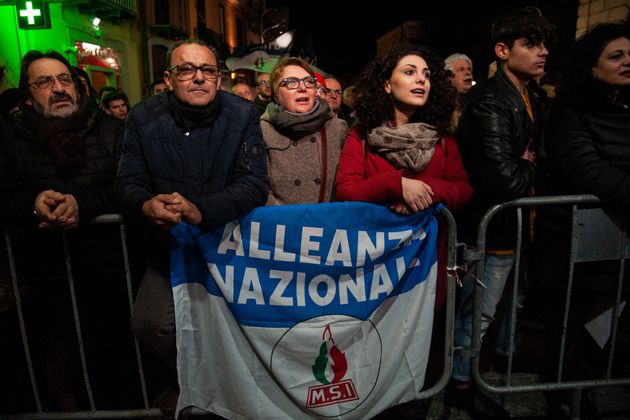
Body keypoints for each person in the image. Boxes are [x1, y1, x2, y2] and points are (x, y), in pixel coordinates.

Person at [115, 39, 268, 403]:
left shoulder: (242, 114)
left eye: (208, 70)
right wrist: (143, 205)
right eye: (186, 69)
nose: (198, 78)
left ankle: (232, 390)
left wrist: (202, 210)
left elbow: (254, 183)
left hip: (228, 245)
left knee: (239, 328)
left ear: (218, 78)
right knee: (152, 325)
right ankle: (189, 383)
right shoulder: (142, 117)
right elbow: (126, 181)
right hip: (169, 251)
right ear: (169, 79)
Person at [0, 50, 129, 410]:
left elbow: (128, 188)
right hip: (41, 276)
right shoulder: (9, 137)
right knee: (53, 367)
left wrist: (82, 205)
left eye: (63, 79)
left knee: (113, 365)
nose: (57, 88)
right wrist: (33, 202)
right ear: (28, 96)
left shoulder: (112, 129)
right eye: (44, 82)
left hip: (107, 273)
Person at [452, 6, 554, 395]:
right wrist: (529, 165)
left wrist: (527, 163)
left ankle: (487, 373)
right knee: (477, 313)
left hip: (518, 230)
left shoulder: (526, 95)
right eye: (530, 44)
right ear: (502, 50)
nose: (542, 52)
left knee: (506, 309)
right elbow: (506, 179)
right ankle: (462, 384)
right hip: (493, 231)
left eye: (544, 44)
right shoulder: (492, 102)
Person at [334, 45, 472, 311]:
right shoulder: (361, 135)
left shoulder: (444, 138)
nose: (421, 79)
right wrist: (397, 186)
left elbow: (463, 190)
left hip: (426, 263)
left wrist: (422, 191)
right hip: (375, 265)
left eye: (426, 74)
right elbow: (346, 190)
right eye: (409, 72)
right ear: (386, 85)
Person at [536, 22, 630, 381]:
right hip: (573, 240)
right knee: (569, 321)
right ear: (592, 66)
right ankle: (562, 390)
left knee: (608, 317)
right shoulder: (570, 111)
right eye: (616, 55)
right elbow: (586, 167)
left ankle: (589, 379)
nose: (626, 62)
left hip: (620, 237)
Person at [260, 56, 347, 205]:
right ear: (275, 95)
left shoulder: (338, 128)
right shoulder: (263, 130)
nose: (302, 88)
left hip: (327, 224)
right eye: (291, 83)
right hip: (283, 224)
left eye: (309, 82)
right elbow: (259, 187)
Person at [444, 53, 473, 133]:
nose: (468, 72)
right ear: (448, 77)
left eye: (469, 69)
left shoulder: (475, 102)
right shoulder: (440, 106)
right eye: (461, 69)